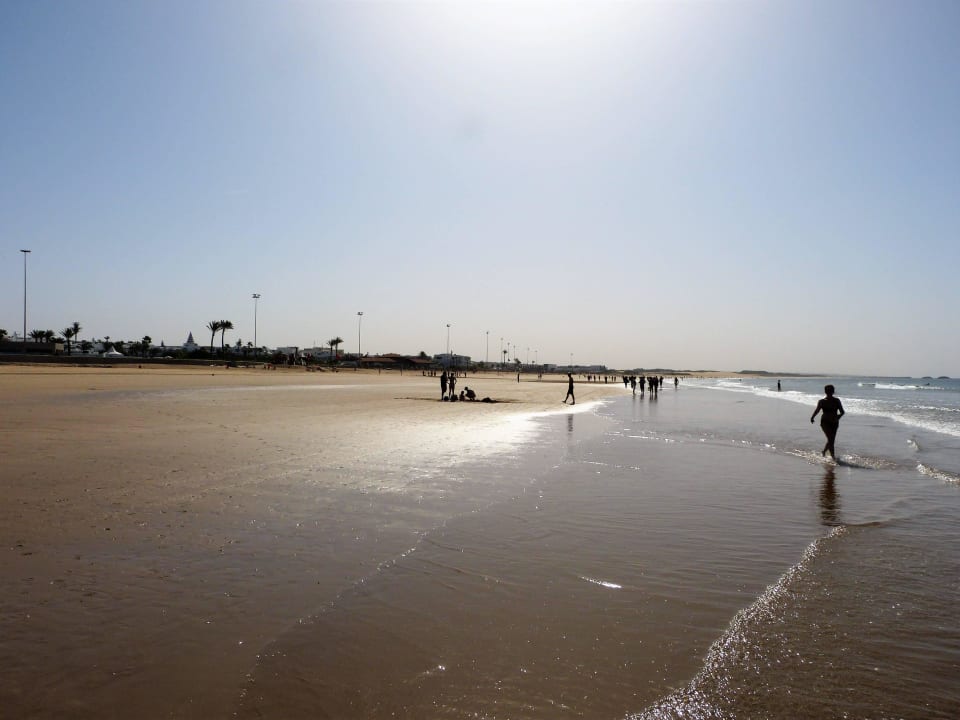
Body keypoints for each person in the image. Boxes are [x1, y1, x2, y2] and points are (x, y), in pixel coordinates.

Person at [811, 384, 845, 459]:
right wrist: (812, 417)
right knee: (830, 439)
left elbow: (842, 412)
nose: (829, 392)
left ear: (833, 392)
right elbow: (817, 410)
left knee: (831, 439)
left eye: (830, 391)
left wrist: (838, 417)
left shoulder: (836, 401)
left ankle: (824, 451)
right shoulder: (822, 401)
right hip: (825, 422)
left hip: (834, 423)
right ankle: (833, 458)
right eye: (828, 391)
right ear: (825, 392)